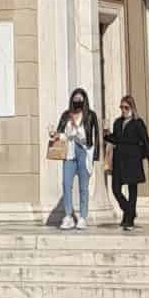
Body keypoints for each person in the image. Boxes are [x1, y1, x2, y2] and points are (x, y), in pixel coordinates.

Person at [105, 96, 149, 231]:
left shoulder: (138, 123)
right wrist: (106, 135)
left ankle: (129, 219)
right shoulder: (117, 122)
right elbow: (115, 139)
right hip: (119, 160)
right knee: (115, 189)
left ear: (132, 108)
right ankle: (129, 211)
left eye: (126, 107)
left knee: (132, 190)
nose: (123, 110)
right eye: (121, 107)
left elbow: (146, 141)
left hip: (133, 159)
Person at [51, 89, 99, 229]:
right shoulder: (66, 115)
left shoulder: (90, 115)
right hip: (69, 151)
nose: (77, 100)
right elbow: (60, 132)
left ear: (84, 100)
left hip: (84, 150)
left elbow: (95, 136)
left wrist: (95, 155)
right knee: (66, 184)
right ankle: (68, 216)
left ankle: (83, 217)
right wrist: (55, 134)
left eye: (80, 98)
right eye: (75, 98)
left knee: (83, 187)